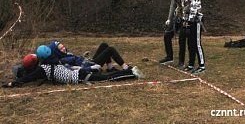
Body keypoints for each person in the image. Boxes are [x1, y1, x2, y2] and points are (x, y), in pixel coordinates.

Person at [2, 49, 144, 88]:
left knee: (105, 79)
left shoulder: (42, 69)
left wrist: (14, 83)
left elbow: (27, 78)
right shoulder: (52, 61)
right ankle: (129, 72)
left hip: (79, 75)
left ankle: (131, 73)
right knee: (104, 78)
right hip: (78, 72)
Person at [177, 0, 205, 74]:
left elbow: (194, 8)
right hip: (188, 21)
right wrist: (183, 20)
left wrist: (189, 20)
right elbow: (185, 8)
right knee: (190, 43)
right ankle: (191, 64)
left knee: (196, 43)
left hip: (196, 21)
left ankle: (202, 65)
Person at [159, 0, 181, 65]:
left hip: (185, 18)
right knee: (167, 35)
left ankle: (182, 60)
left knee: (183, 39)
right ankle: (169, 57)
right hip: (177, 17)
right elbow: (172, 6)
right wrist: (169, 19)